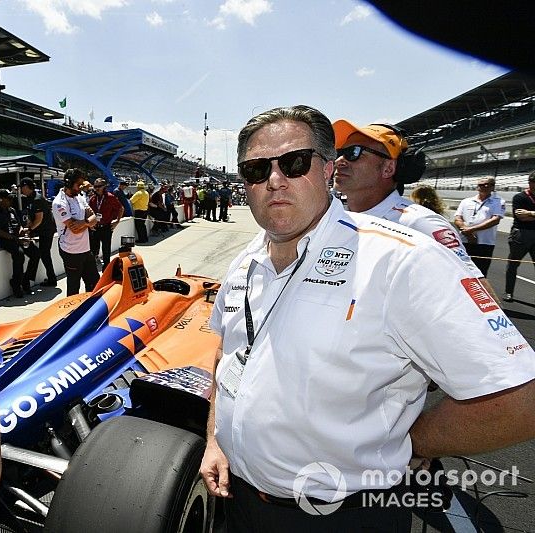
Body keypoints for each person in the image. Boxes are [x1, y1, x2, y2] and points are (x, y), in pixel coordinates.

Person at [200, 105, 535, 531]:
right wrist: (215, 438)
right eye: (255, 169)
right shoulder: (244, 261)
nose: (274, 179)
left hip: (347, 516)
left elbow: (520, 401)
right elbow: (227, 356)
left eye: (293, 163)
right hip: (241, 502)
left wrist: (409, 441)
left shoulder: (404, 260)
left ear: (326, 171)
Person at [332, 120, 487, 284]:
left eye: (353, 152)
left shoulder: (419, 224)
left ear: (388, 168)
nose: (339, 161)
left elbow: (478, 294)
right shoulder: (338, 217)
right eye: (339, 153)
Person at [52, 169, 100, 295]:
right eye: (78, 185)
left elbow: (94, 217)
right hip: (71, 251)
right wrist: (88, 223)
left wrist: (83, 223)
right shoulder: (59, 203)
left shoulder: (79, 197)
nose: (80, 188)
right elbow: (75, 230)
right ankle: (72, 313)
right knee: (74, 287)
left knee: (95, 284)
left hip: (85, 249)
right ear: (68, 184)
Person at [454, 178, 505, 276]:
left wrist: (471, 229)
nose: (485, 187)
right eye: (482, 185)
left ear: (493, 187)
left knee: (481, 272)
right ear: (477, 187)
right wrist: (468, 233)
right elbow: (457, 218)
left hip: (485, 243)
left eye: (488, 185)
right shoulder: (466, 201)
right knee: (460, 270)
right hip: (465, 240)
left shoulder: (498, 201)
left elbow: (495, 220)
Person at [0, 189, 26, 298]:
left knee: (35, 252)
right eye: (8, 198)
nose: (10, 200)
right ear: (0, 199)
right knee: (19, 254)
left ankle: (26, 280)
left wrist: (22, 230)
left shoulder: (11, 210)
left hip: (15, 237)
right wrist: (13, 238)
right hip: (4, 240)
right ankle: (16, 284)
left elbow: (19, 224)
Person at [20, 177, 58, 288]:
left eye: (22, 187)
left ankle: (52, 278)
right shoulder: (30, 199)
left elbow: (39, 219)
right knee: (44, 254)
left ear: (27, 187)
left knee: (45, 254)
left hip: (46, 230)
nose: (21, 190)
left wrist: (30, 229)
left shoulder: (37, 199)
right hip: (41, 230)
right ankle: (51, 278)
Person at [504, 171, 535, 302]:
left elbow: (526, 216)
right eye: (533, 183)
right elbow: (521, 217)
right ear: (529, 183)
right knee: (513, 264)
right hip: (521, 234)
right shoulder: (520, 197)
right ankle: (509, 292)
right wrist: (529, 215)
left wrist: (531, 213)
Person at [88, 178, 124, 269]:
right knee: (93, 249)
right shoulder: (92, 199)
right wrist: (90, 224)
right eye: (95, 186)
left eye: (99, 186)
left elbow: (121, 208)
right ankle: (93, 268)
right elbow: (88, 212)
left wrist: (117, 222)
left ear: (104, 186)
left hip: (106, 227)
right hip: (95, 228)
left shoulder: (110, 197)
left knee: (106, 249)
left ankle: (107, 269)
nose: (96, 188)